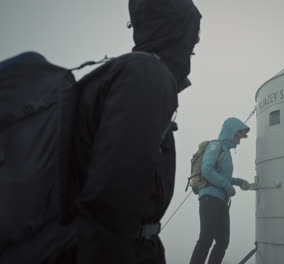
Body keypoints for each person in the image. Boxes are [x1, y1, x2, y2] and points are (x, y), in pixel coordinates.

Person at [68, 0, 202, 263]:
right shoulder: (146, 76)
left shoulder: (128, 73)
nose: (196, 42)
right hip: (123, 251)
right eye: (192, 33)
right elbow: (111, 203)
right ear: (175, 30)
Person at [189, 117, 252, 264]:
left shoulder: (227, 152)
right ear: (231, 132)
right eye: (239, 136)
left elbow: (221, 176)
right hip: (209, 197)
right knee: (206, 237)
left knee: (223, 241)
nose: (239, 141)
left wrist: (238, 182)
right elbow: (206, 170)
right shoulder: (216, 146)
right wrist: (227, 186)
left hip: (220, 200)